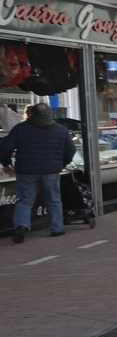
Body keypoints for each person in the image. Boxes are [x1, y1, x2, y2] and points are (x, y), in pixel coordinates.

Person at [0, 102, 76, 244]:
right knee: (53, 199)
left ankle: (21, 227)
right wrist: (62, 164)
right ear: (49, 114)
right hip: (51, 170)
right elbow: (71, 149)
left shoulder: (20, 128)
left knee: (25, 200)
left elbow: (6, 147)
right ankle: (57, 228)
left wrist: (6, 163)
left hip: (26, 170)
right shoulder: (60, 129)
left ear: (32, 114)